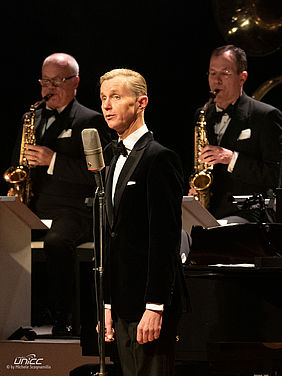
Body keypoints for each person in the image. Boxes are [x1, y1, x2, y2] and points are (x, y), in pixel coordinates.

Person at [9, 53, 111, 336]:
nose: (48, 89)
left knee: (56, 243)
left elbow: (98, 173)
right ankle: (16, 313)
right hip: (34, 206)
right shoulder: (32, 117)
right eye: (44, 81)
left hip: (75, 209)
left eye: (56, 81)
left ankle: (62, 315)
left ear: (75, 82)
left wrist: (53, 161)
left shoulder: (91, 120)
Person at [99, 68, 186, 376]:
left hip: (148, 304)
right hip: (121, 303)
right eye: (103, 99)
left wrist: (155, 306)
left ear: (141, 103)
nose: (107, 105)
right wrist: (107, 305)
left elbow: (164, 239)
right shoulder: (110, 161)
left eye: (116, 97)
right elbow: (111, 237)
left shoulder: (159, 158)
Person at [192, 44, 282, 223]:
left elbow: (274, 176)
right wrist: (198, 190)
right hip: (213, 210)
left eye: (225, 73)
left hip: (250, 213)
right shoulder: (203, 114)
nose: (216, 81)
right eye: (212, 73)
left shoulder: (265, 115)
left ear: (242, 77)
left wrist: (231, 158)